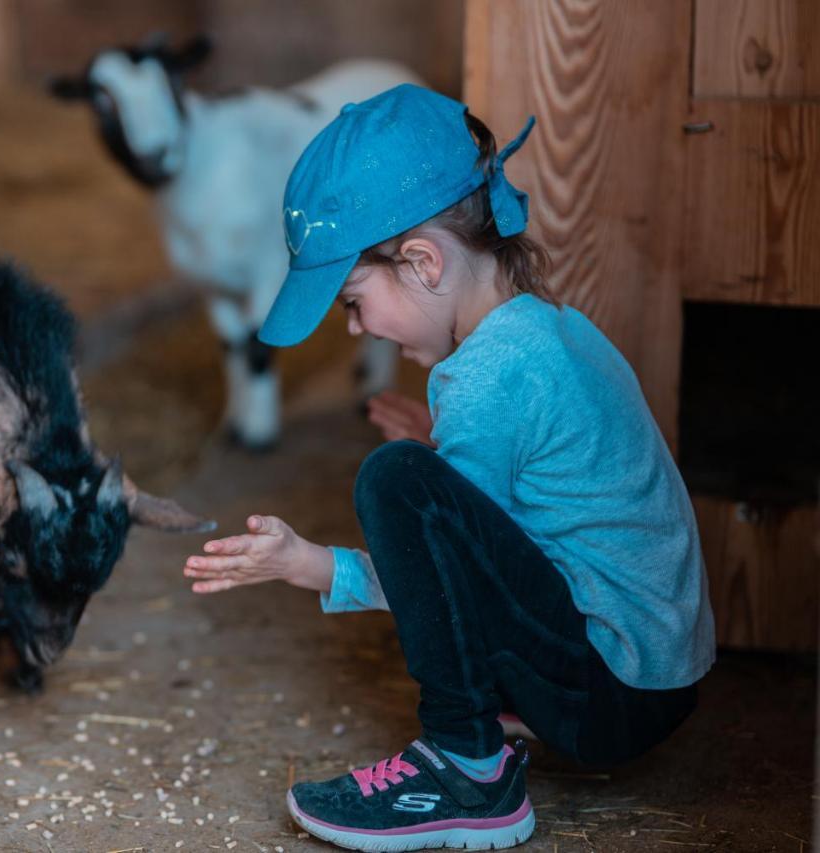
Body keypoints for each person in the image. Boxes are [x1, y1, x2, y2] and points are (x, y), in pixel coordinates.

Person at [181, 84, 714, 851]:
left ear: (425, 262)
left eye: (355, 302)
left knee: (394, 480)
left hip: (614, 689)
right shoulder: (545, 329)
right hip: (658, 675)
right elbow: (534, 507)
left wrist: (312, 564)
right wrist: (446, 440)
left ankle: (468, 771)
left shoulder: (484, 374)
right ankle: (499, 722)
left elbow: (449, 565)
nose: (358, 326)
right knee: (420, 475)